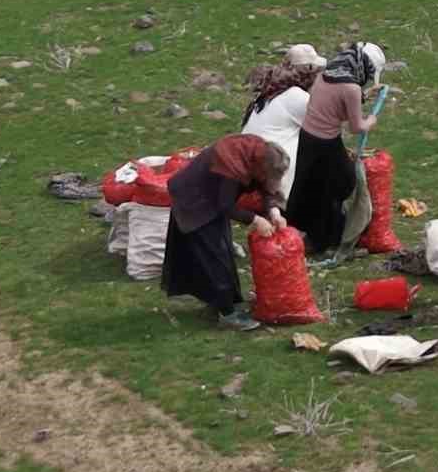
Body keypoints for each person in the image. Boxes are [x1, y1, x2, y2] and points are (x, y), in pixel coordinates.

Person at [162, 134, 290, 331]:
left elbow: (266, 186)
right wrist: (255, 220)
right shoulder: (231, 165)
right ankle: (227, 313)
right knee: (215, 256)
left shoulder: (258, 156)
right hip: (195, 200)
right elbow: (225, 206)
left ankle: (229, 301)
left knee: (224, 251)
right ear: (261, 168)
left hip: (213, 198)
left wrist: (273, 211)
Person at [287, 41, 387, 255]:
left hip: (307, 137)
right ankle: (325, 237)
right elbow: (356, 127)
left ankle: (301, 230)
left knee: (308, 185)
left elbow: (335, 107)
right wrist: (372, 119)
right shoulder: (351, 87)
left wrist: (364, 96)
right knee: (341, 184)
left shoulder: (327, 74)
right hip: (326, 142)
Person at [240, 45, 327, 201]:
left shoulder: (270, 91)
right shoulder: (296, 97)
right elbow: (324, 126)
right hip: (272, 171)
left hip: (247, 163)